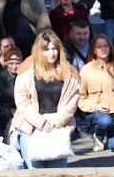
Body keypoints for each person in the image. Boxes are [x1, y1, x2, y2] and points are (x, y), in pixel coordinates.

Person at [12, 31, 80, 168]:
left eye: (54, 48)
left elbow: (73, 101)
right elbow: (22, 102)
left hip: (59, 127)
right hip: (31, 127)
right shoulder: (26, 72)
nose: (52, 53)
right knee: (34, 176)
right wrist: (41, 123)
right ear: (39, 51)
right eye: (47, 49)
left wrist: (56, 122)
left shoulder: (70, 72)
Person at [0, 47, 23, 139]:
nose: (14, 66)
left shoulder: (25, 77)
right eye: (11, 63)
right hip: (5, 116)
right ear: (5, 62)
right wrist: (10, 110)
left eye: (17, 63)